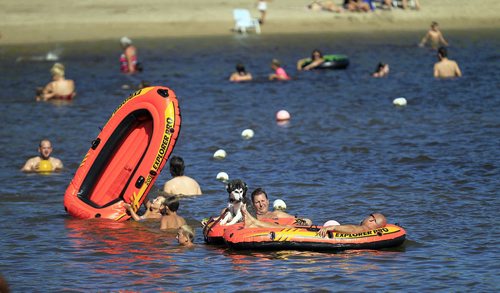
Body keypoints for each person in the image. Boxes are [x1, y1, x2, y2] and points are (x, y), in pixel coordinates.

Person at [317, 213, 387, 236]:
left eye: (370, 215)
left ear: (371, 220)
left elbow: (353, 229)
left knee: (332, 222)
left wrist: (332, 227)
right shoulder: (370, 231)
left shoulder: (365, 228)